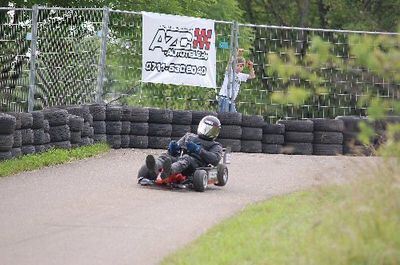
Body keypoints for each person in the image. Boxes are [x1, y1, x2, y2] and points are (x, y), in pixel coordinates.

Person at [137, 115, 223, 185]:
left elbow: (214, 159)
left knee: (186, 158)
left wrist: (198, 150)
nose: (205, 131)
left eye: (209, 130)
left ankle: (170, 171)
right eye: (205, 128)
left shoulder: (215, 146)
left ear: (216, 132)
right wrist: (173, 149)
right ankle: (153, 168)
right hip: (179, 160)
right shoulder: (189, 136)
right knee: (166, 157)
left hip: (195, 166)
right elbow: (176, 149)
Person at [218, 48, 256, 112]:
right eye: (237, 65)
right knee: (224, 115)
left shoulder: (240, 75)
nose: (239, 67)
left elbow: (252, 76)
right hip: (224, 97)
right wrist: (237, 53)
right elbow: (230, 62)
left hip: (231, 99)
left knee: (234, 116)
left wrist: (251, 67)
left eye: (241, 66)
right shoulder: (230, 72)